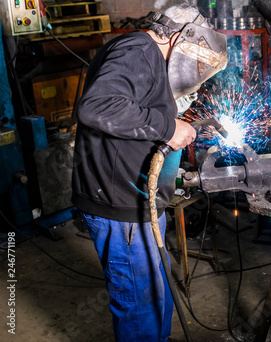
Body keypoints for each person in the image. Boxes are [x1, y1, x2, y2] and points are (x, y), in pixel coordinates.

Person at [71, 5, 227, 341]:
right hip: (120, 204)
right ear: (177, 37)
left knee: (156, 295)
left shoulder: (146, 56)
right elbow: (96, 106)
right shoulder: (138, 50)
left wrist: (185, 127)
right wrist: (169, 128)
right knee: (139, 305)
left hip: (139, 202)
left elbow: (139, 113)